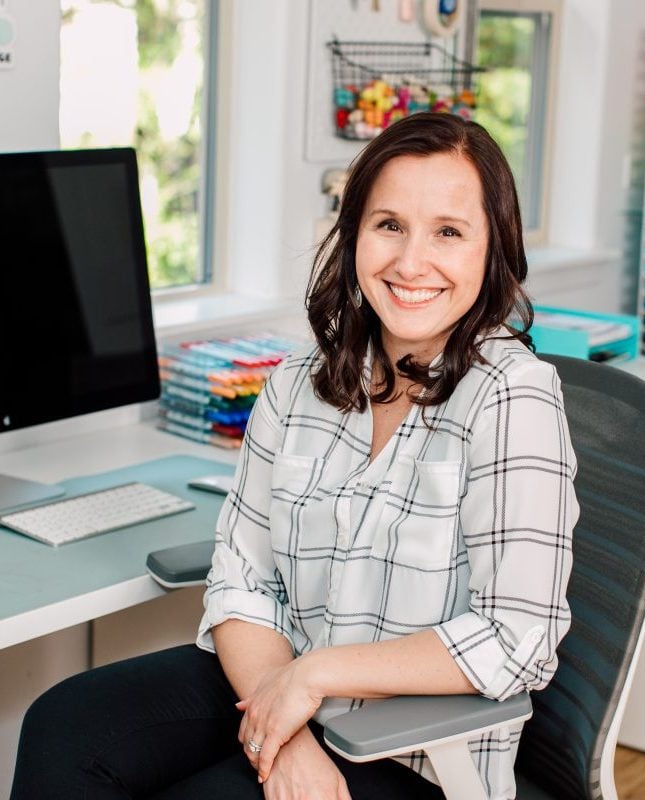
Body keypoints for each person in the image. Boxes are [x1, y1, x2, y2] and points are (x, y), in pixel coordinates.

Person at [11, 112, 578, 800]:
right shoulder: (296, 382)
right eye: (388, 224)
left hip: (415, 747)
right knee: (65, 727)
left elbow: (517, 637)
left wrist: (315, 676)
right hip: (279, 688)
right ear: (353, 235)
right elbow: (243, 582)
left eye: (449, 233)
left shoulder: (513, 396)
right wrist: (285, 734)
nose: (409, 262)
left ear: (492, 251)